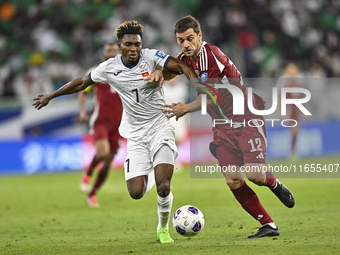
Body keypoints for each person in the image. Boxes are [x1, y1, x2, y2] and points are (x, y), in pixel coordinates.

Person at [32, 20, 200, 244]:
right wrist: (50, 96)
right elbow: (81, 83)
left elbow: (181, 65)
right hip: (136, 135)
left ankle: (163, 229)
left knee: (163, 186)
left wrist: (196, 83)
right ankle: (156, 169)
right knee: (136, 192)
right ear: (120, 45)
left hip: (160, 126)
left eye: (137, 44)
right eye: (129, 44)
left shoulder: (151, 57)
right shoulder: (109, 68)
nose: (134, 49)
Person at [161, 15, 295, 239]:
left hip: (246, 118)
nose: (185, 44)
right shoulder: (186, 57)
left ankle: (274, 183)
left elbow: (210, 97)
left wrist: (185, 108)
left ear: (199, 36)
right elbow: (171, 69)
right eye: (180, 40)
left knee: (255, 175)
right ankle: (269, 225)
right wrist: (159, 72)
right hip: (222, 125)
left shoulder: (211, 55)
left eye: (190, 39)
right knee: (233, 179)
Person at [78, 43, 123, 207]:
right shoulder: (95, 72)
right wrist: (82, 111)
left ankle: (92, 194)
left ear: (119, 53)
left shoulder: (127, 72)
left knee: (108, 163)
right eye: (108, 51)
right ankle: (89, 171)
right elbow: (83, 92)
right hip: (101, 120)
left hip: (119, 124)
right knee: (103, 153)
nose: (111, 53)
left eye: (114, 51)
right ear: (103, 54)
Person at [277, 62, 304, 161]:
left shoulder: (298, 82)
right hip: (289, 109)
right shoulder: (284, 83)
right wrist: (281, 110)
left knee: (296, 131)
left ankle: (293, 151)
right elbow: (279, 97)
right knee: (294, 130)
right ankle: (292, 152)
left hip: (296, 109)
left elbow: (301, 97)